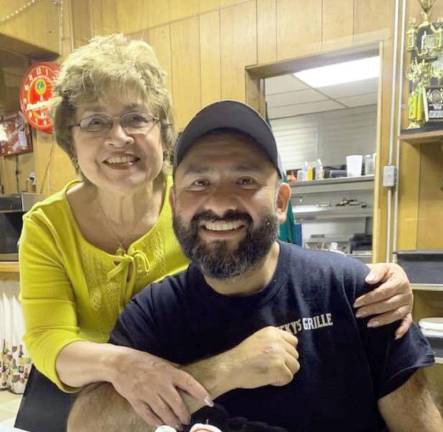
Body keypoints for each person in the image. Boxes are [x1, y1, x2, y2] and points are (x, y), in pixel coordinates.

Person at [18, 34, 413, 431]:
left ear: (162, 131)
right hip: (90, 390)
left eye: (136, 117)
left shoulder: (197, 201)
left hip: (197, 386)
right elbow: (47, 336)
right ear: (71, 136)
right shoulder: (48, 226)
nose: (118, 137)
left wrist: (365, 283)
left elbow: (271, 258)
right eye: (95, 120)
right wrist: (124, 365)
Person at [68, 101, 442, 432]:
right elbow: (86, 426)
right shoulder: (153, 313)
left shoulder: (357, 293)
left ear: (280, 202)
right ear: (174, 204)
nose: (218, 203)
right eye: (199, 182)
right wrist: (224, 372)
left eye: (245, 180)